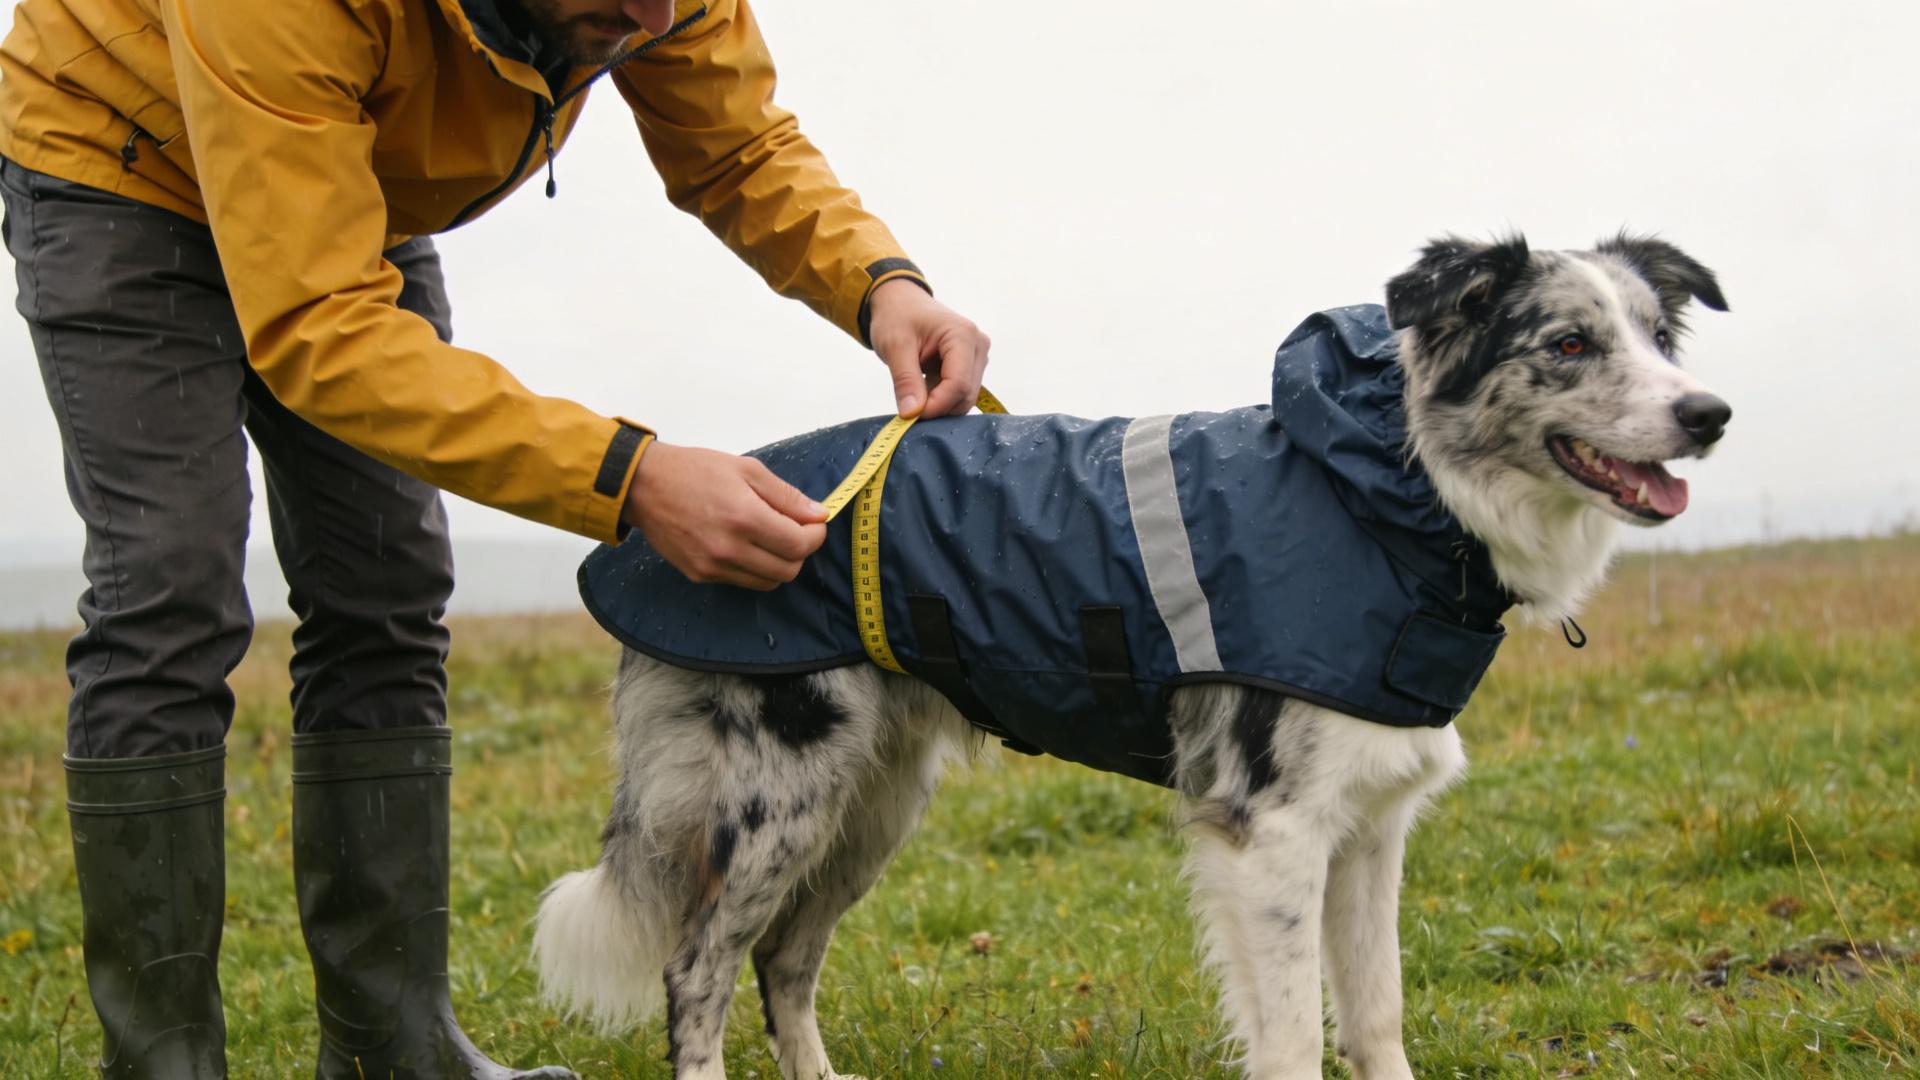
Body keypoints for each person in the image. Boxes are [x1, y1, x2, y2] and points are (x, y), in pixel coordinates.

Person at [0, 0, 990, 1074]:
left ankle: (397, 1050)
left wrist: (880, 283)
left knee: (386, 590)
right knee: (170, 593)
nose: (654, 16)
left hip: (346, 184)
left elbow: (739, 142)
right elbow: (318, 327)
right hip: (125, 167)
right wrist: (631, 477)